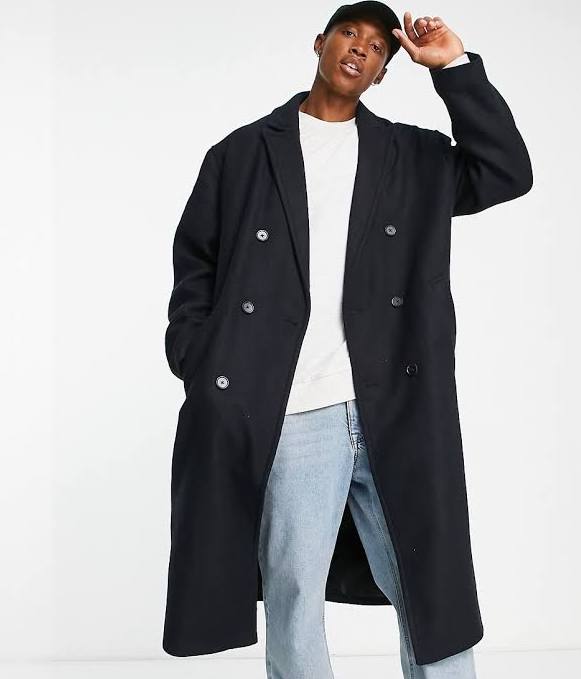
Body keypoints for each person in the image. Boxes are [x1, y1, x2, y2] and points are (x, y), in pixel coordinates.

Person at [163, 2, 532, 677]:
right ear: (320, 43)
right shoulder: (242, 154)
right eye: (348, 33)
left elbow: (506, 171)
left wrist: (451, 66)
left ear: (384, 71)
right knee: (294, 591)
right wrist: (200, 355)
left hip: (396, 402)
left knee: (432, 587)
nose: (360, 48)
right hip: (293, 407)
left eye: (376, 46)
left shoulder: (414, 157)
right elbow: (197, 262)